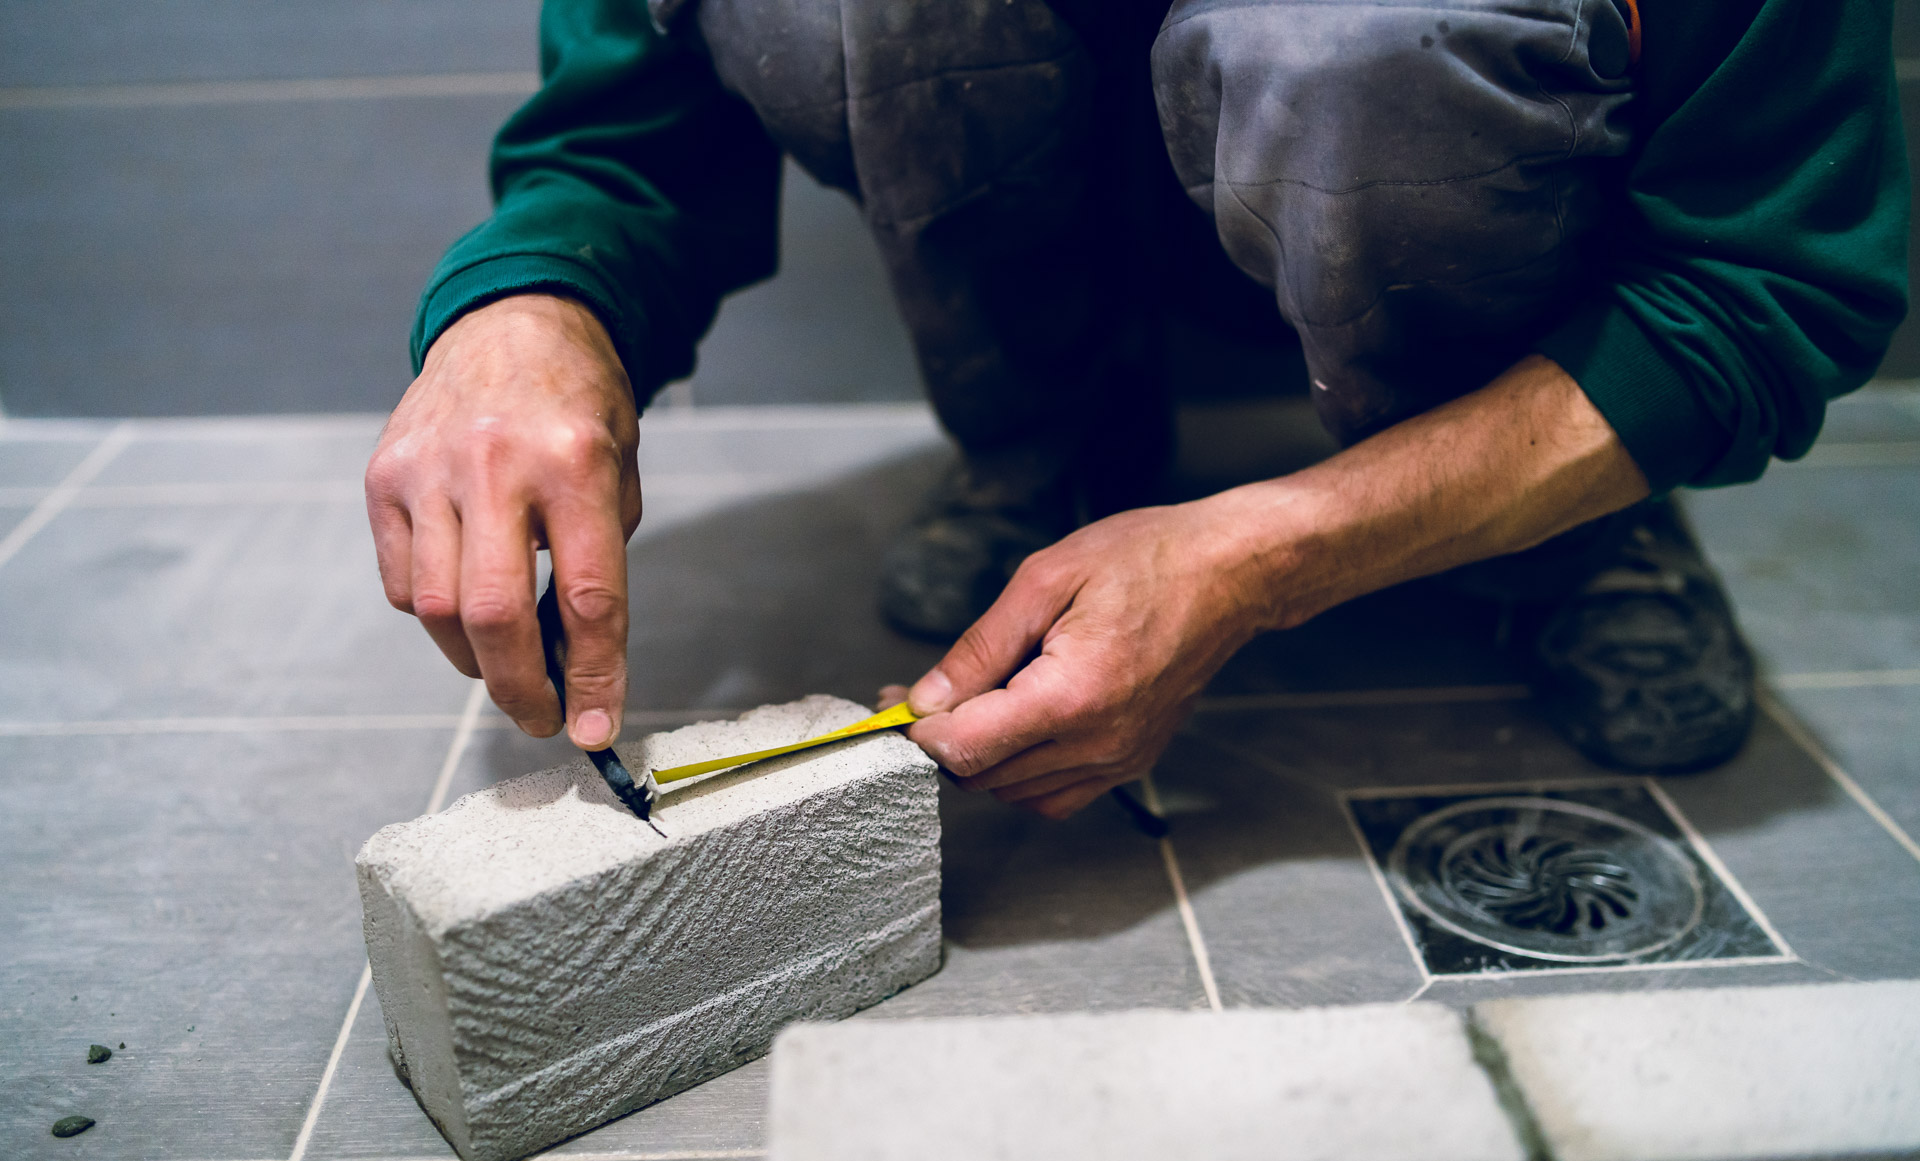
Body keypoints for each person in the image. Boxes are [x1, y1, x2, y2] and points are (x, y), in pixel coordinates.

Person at [366, 0, 1908, 819]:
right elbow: (623, 131)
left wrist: (1266, 552)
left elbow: (1764, 280)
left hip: (1451, 185)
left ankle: (1552, 533)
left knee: (1357, 37)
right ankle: (1057, 453)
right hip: (1071, 199)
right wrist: (528, 307)